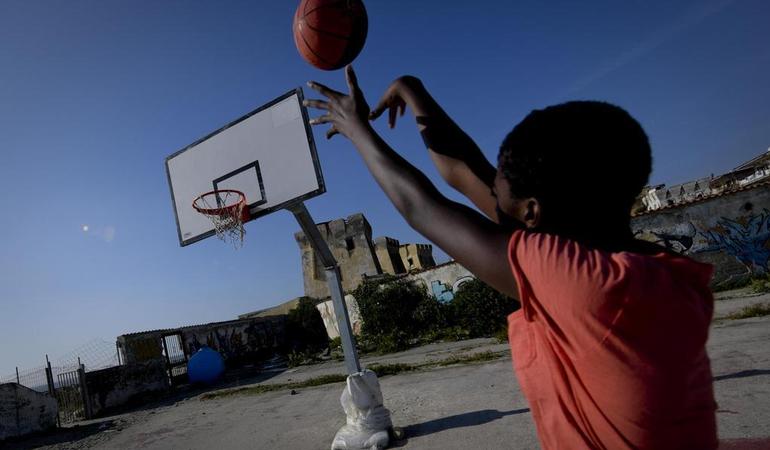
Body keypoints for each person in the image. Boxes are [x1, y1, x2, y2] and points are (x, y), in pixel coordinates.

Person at [304, 66, 717, 450]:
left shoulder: (580, 284)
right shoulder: (663, 272)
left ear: (533, 213)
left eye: (498, 180)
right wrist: (414, 92)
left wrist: (356, 128)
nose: (487, 184)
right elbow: (465, 172)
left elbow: (422, 207)